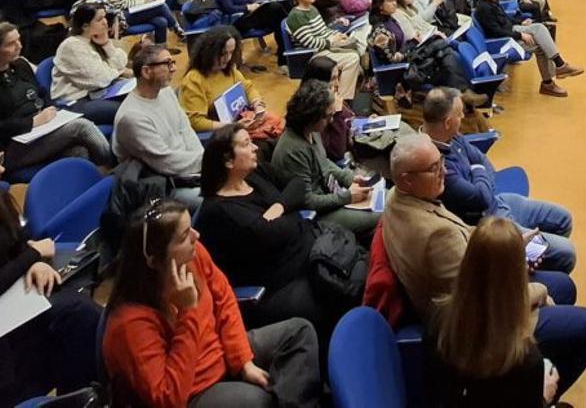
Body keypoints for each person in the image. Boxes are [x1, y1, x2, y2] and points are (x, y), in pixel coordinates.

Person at [382, 135, 586, 399]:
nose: (445, 170)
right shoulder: (436, 235)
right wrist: (536, 288)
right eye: (433, 168)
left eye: (441, 161)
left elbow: (468, 247)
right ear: (406, 178)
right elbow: (480, 300)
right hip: (475, 328)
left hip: (472, 294)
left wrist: (507, 251)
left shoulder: (400, 197)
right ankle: (538, 394)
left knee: (564, 285)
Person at [102, 198, 321, 408]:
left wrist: (242, 361)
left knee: (299, 332)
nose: (196, 237)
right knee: (258, 401)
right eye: (184, 236)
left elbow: (224, 297)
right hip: (192, 392)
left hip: (220, 354)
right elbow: (168, 398)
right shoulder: (129, 324)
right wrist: (187, 312)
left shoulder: (194, 256)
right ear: (153, 259)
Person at [196, 126, 337, 342]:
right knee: (334, 293)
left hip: (304, 256)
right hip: (272, 286)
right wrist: (292, 214)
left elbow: (298, 184)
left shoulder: (255, 174)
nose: (254, 148)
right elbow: (276, 232)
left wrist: (280, 207)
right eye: (246, 144)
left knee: (348, 267)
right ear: (227, 160)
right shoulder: (218, 211)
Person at [423, 87, 575, 272]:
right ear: (448, 122)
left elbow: (482, 161)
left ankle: (527, 263)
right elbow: (481, 197)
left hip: (498, 200)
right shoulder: (435, 164)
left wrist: (479, 176)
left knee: (563, 219)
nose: (463, 116)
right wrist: (479, 174)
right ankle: (522, 280)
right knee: (566, 253)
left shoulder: (451, 136)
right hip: (488, 222)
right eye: (459, 113)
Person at [0, 157, 102, 405]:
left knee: (81, 314)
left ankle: (82, 396)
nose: (3, 168)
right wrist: (33, 256)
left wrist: (32, 261)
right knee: (75, 312)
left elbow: (17, 242)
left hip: (14, 302)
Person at [430, 217, 560, 407]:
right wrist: (543, 397)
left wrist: (507, 252)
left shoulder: (438, 318)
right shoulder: (526, 359)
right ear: (517, 277)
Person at [0, 20, 115, 173]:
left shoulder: (21, 65)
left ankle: (84, 188)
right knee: (82, 126)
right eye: (10, 44)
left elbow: (41, 92)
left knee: (79, 152)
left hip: (43, 128)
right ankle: (117, 166)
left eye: (19, 40)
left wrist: (50, 109)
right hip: (14, 145)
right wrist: (32, 122)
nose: (19, 46)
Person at [272, 79, 379, 242]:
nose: (331, 120)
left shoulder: (311, 131)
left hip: (329, 195)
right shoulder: (292, 151)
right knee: (383, 213)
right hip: (317, 216)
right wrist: (348, 197)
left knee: (381, 200)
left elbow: (324, 161)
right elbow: (307, 201)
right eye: (329, 116)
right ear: (313, 116)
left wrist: (348, 178)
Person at [113, 42, 204, 208]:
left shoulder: (166, 91)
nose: (174, 68)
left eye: (173, 62)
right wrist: (206, 163)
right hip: (164, 186)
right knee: (223, 202)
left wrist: (203, 160)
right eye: (167, 64)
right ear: (147, 72)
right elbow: (166, 162)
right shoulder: (132, 118)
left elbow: (185, 129)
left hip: (188, 170)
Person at [369, 0, 485, 103]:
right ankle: (463, 93)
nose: (394, 3)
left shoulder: (390, 19)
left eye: (394, 0)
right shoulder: (381, 32)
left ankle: (463, 94)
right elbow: (393, 59)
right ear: (380, 6)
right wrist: (412, 43)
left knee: (445, 52)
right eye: (390, 1)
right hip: (404, 70)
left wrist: (412, 43)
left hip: (412, 59)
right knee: (444, 53)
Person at [474, 0, 582, 98]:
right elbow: (496, 31)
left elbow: (505, 20)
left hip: (511, 31)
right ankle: (556, 71)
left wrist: (521, 22)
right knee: (540, 36)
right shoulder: (483, 8)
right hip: (503, 42)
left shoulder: (491, 1)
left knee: (539, 30)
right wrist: (520, 35)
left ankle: (552, 77)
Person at [179, 26, 283, 139]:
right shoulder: (194, 80)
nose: (228, 58)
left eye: (231, 52)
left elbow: (248, 88)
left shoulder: (230, 68)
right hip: (222, 134)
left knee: (280, 127)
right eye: (223, 53)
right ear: (209, 52)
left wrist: (258, 105)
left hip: (241, 122)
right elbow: (195, 122)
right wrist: (234, 126)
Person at [51, 0, 133, 124]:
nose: (105, 22)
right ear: (85, 26)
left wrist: (106, 44)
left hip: (97, 94)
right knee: (128, 111)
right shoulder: (72, 46)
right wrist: (120, 72)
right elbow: (98, 79)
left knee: (141, 98)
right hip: (75, 102)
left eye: (105, 17)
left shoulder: (96, 39)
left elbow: (122, 61)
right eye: (99, 19)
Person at [284, 0, 364, 101]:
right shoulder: (296, 16)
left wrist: (337, 34)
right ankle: (343, 100)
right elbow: (310, 43)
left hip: (324, 47)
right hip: (313, 54)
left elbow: (324, 31)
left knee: (359, 48)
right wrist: (332, 41)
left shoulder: (312, 9)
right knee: (352, 59)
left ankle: (354, 93)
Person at [300, 55, 355, 161]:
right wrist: (337, 115)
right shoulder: (313, 112)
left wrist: (366, 121)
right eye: (333, 79)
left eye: (338, 77)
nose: (337, 84)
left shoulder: (332, 97)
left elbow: (349, 119)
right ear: (320, 81)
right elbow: (337, 152)